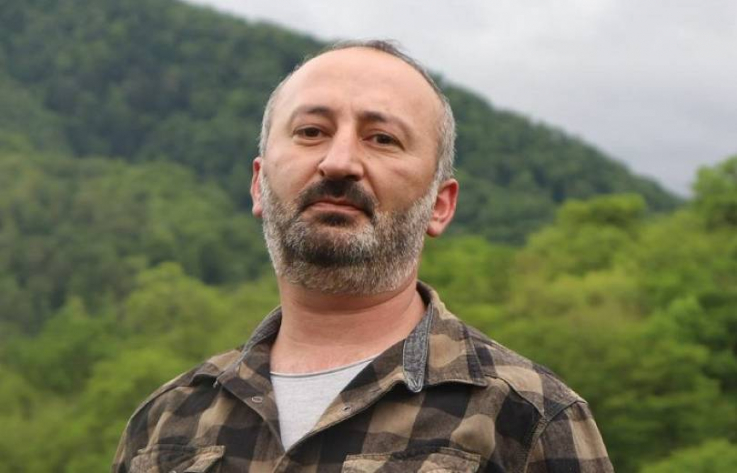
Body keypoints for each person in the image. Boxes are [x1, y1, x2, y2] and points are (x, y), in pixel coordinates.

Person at [112, 40, 613, 473]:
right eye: (311, 132)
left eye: (382, 139)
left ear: (440, 206)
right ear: (258, 183)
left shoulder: (528, 417)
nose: (339, 162)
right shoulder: (166, 423)